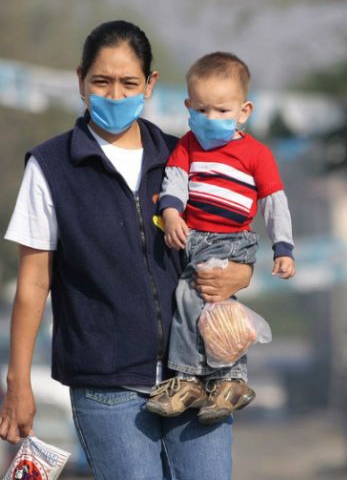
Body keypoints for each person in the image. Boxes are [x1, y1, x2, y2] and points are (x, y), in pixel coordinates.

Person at [0, 21, 253, 480]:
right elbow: (33, 283)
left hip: (196, 380)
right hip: (106, 388)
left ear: (150, 85)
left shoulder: (186, 161)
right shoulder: (50, 168)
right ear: (81, 82)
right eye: (102, 82)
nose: (115, 95)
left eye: (129, 83)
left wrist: (241, 275)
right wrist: (19, 383)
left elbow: (227, 245)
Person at [144, 52, 296, 425]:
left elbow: (275, 202)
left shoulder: (256, 155)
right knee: (215, 308)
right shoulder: (188, 146)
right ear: (188, 107)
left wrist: (283, 247)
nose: (211, 119)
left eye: (222, 111)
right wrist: (171, 213)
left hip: (231, 240)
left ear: (244, 111)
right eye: (203, 110)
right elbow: (175, 184)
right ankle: (229, 380)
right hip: (195, 237)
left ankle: (188, 377)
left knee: (191, 296)